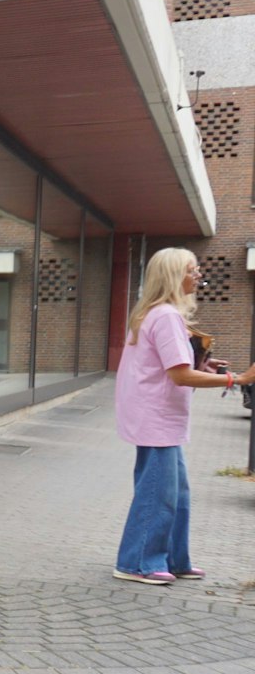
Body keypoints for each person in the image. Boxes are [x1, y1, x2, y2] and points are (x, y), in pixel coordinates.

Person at [113, 248, 253, 584]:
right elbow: (179, 375)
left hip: (155, 419)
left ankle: (174, 560)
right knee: (157, 494)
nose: (198, 275)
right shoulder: (166, 317)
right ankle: (136, 563)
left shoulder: (152, 313)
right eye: (192, 270)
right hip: (157, 420)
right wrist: (237, 380)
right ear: (174, 276)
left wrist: (203, 366)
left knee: (176, 494)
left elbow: (167, 367)